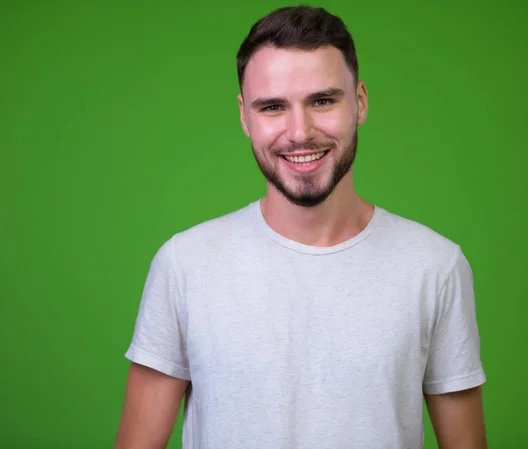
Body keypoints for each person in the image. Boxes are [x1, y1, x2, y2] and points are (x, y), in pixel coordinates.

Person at [114, 5, 488, 449]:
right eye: (272, 107)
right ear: (244, 117)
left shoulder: (436, 266)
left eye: (323, 100)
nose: (300, 132)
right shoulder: (184, 264)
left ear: (361, 102)